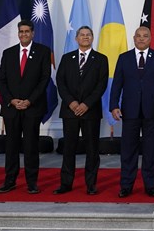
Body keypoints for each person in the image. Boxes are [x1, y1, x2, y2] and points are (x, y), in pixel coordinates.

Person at [111, 26, 154, 198]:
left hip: (152, 111)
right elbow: (117, 84)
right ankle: (126, 185)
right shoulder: (124, 58)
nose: (142, 38)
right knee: (128, 150)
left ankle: (150, 185)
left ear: (150, 39)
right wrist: (114, 105)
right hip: (129, 111)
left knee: (151, 150)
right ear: (134, 38)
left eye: (145, 36)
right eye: (139, 36)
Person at [0, 20, 51, 194]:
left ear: (33, 33)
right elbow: (1, 80)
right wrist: (11, 100)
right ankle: (9, 181)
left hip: (32, 108)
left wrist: (29, 101)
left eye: (27, 31)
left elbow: (44, 79)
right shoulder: (9, 53)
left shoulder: (43, 51)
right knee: (11, 146)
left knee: (31, 146)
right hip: (12, 108)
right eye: (21, 31)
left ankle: (32, 182)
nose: (24, 34)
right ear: (18, 33)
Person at [54, 26, 108, 195]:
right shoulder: (66, 58)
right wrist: (71, 102)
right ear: (76, 38)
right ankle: (66, 183)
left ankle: (91, 184)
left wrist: (86, 104)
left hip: (90, 111)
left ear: (92, 38)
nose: (85, 37)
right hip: (70, 110)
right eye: (82, 35)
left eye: (88, 35)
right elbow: (60, 82)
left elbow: (101, 85)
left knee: (92, 149)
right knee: (68, 149)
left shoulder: (101, 59)